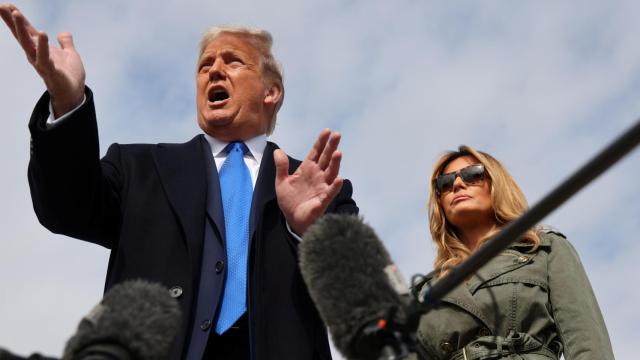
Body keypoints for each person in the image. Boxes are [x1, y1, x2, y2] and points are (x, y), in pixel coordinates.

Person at [1, 4, 358, 360]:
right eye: (205, 66)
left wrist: (302, 233)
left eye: (233, 61)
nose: (214, 70)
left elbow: (353, 297)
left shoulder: (323, 190)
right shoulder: (138, 169)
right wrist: (68, 101)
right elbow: (65, 209)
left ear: (271, 92)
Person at [416, 145, 613, 359]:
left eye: (472, 174)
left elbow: (587, 344)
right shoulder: (425, 293)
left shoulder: (544, 250)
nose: (457, 183)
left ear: (496, 184)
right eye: (444, 183)